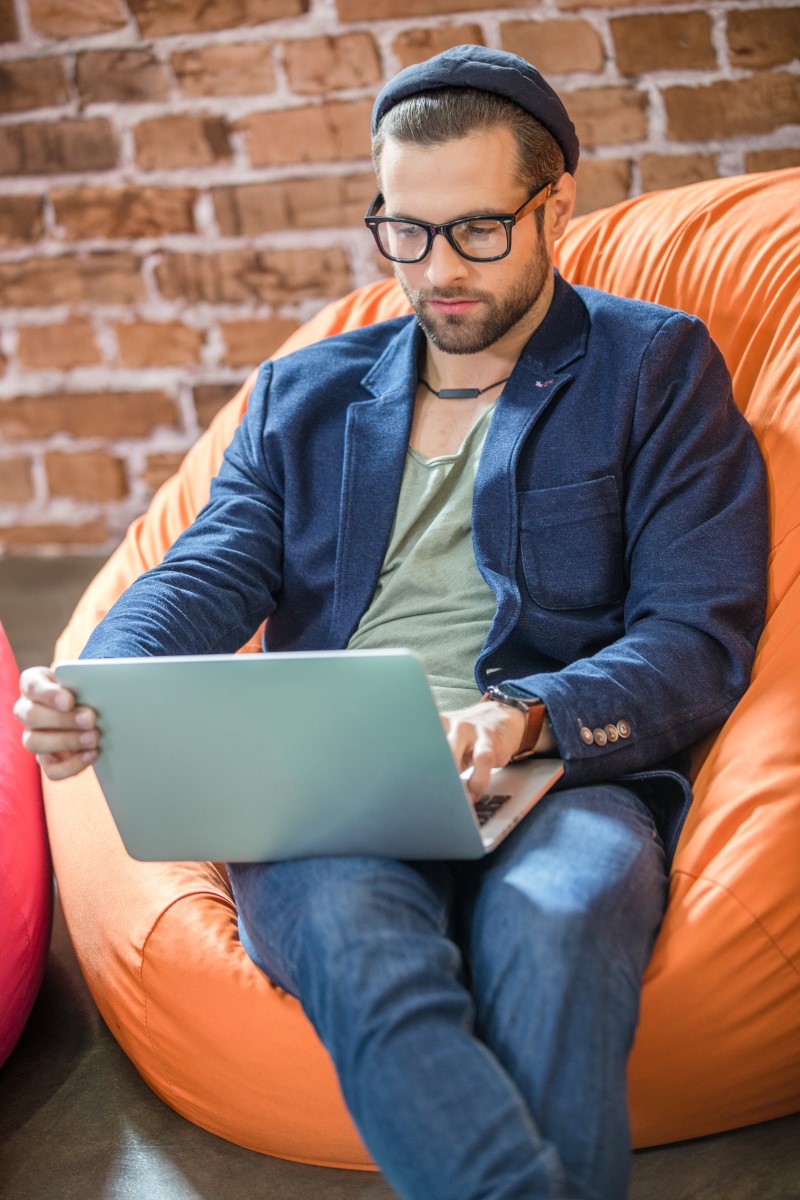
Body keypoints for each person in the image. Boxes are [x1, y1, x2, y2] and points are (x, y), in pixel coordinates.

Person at [16, 46, 768, 1200]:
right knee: (362, 946)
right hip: (325, 782)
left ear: (552, 202)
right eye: (402, 233)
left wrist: (521, 719)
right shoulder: (304, 393)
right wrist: (100, 683)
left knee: (555, 930)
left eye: (474, 230)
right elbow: (207, 569)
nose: (434, 272)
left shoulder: (652, 369)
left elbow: (697, 635)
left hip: (556, 771)